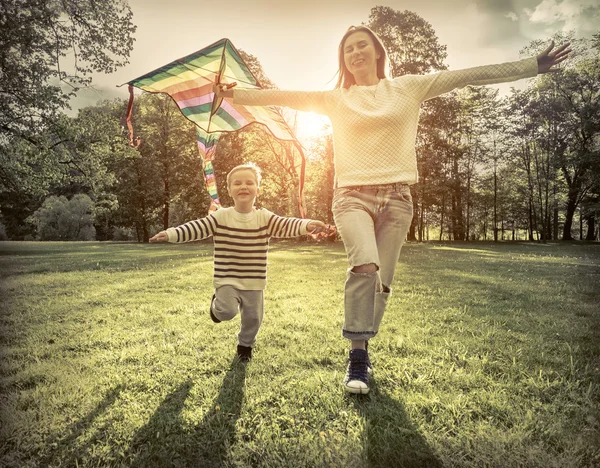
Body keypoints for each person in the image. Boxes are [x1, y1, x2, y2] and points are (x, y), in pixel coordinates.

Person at [215, 26, 571, 393]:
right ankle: (357, 359)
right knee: (364, 265)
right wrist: (234, 94)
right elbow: (282, 95)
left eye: (362, 46)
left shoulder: (408, 87)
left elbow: (466, 77)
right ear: (344, 59)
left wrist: (532, 65)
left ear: (377, 52)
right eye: (348, 49)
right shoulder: (335, 99)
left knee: (381, 282)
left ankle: (363, 345)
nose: (355, 53)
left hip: (398, 199)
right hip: (351, 196)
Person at [150, 162, 329, 362]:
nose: (243, 186)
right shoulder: (221, 216)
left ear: (258, 190)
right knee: (226, 312)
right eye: (237, 183)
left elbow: (287, 224)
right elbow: (196, 227)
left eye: (249, 182)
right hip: (227, 278)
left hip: (254, 282)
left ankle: (245, 347)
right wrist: (171, 233)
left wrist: (307, 225)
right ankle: (216, 308)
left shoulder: (264, 218)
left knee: (253, 319)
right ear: (229, 190)